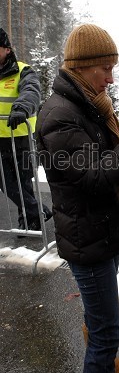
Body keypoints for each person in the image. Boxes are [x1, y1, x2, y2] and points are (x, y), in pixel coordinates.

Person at [35, 23, 119, 373]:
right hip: (86, 235)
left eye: (113, 66)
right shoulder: (60, 114)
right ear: (81, 67)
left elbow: (111, 163)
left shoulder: (90, 104)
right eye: (103, 67)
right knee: (107, 328)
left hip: (99, 228)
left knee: (98, 313)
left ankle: (103, 363)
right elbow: (95, 174)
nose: (111, 76)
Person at [0, 27, 52, 232]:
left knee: (23, 180)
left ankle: (30, 220)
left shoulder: (23, 71)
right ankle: (39, 211)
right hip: (0, 140)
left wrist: (21, 108)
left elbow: (31, 91)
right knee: (6, 182)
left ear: (7, 50)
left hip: (21, 137)